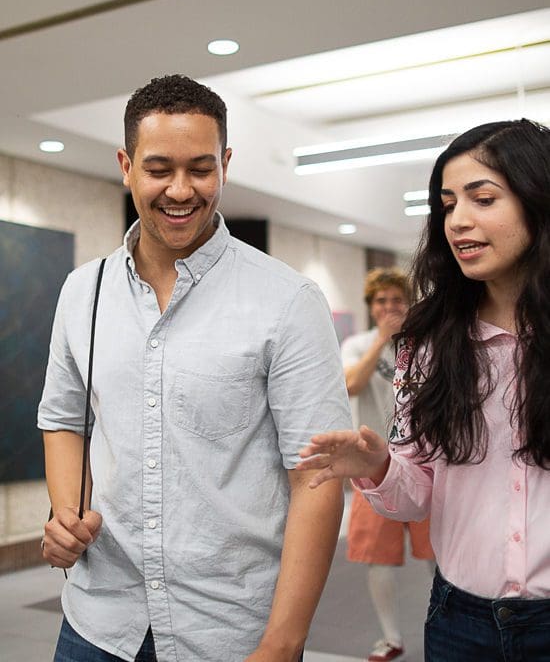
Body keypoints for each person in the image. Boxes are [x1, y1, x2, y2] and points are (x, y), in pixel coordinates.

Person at [38, 74, 352, 662]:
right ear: (126, 166)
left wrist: (283, 643)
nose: (180, 190)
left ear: (225, 165)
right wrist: (65, 513)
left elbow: (317, 477)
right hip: (98, 621)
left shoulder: (287, 300)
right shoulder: (84, 292)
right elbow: (63, 417)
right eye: (159, 168)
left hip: (231, 631)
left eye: (200, 169)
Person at [297, 119, 550, 661]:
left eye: (483, 199)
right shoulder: (428, 342)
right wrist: (378, 464)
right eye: (447, 204)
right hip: (460, 622)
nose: (458, 221)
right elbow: (415, 494)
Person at [342, 268, 434, 662]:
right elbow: (350, 385)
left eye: (397, 300)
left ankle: (444, 626)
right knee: (378, 557)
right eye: (381, 301)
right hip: (373, 463)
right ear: (370, 306)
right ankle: (391, 637)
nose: (389, 307)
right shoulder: (357, 343)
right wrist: (382, 339)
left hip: (424, 461)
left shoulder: (424, 343)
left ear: (408, 303)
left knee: (436, 554)